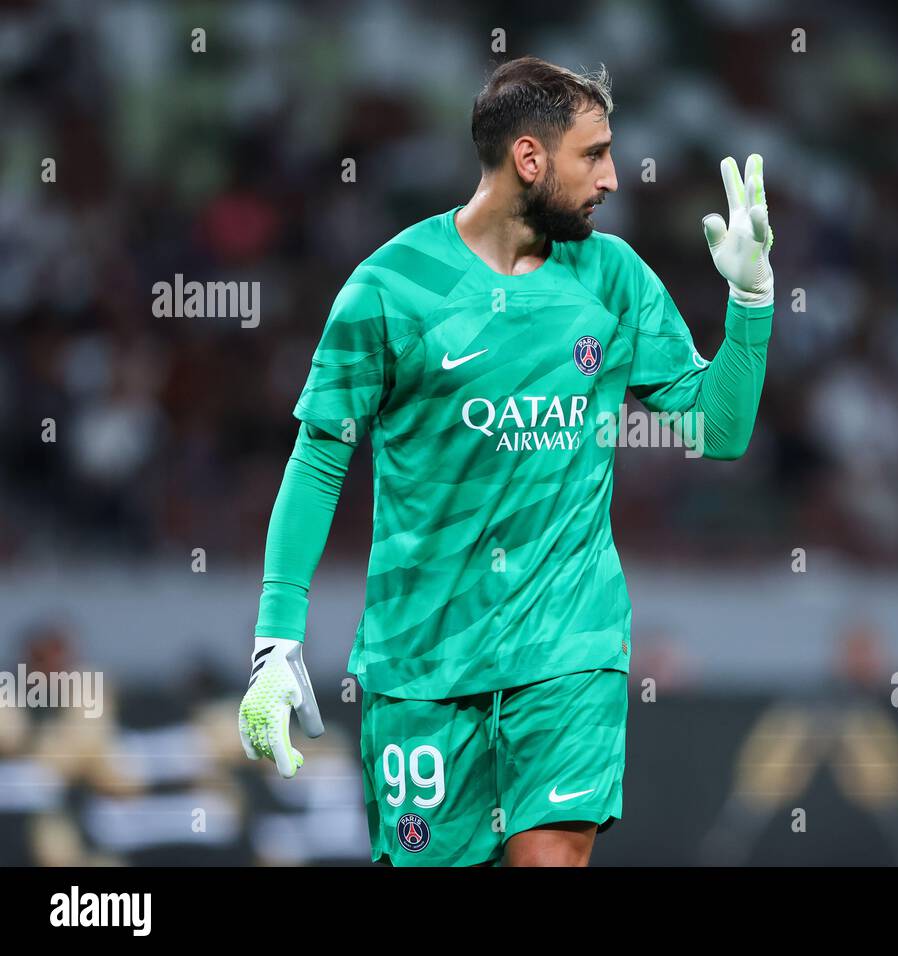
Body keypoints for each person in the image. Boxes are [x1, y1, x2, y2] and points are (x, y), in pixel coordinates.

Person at [236, 56, 775, 866]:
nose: (614, 178)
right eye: (593, 154)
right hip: (422, 663)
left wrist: (752, 302)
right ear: (531, 159)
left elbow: (719, 429)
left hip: (569, 651)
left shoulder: (613, 277)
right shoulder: (389, 290)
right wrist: (276, 643)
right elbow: (318, 462)